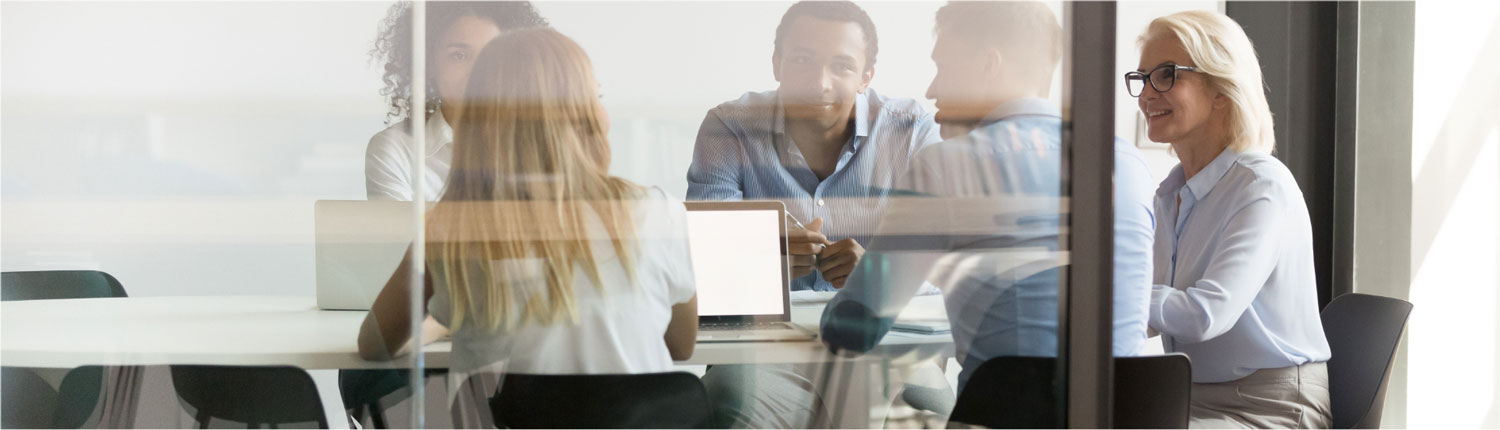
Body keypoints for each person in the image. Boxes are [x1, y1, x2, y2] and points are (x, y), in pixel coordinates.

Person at [819, 0, 1156, 393]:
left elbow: (853, 330)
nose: (932, 89)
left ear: (988, 65)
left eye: (942, 67)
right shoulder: (1126, 162)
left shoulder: (948, 165)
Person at [357, 28, 699, 379]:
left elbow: (374, 344)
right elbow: (681, 347)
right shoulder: (658, 212)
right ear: (581, 114)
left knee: (372, 385)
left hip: (503, 418)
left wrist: (450, 316)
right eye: (594, 96)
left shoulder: (452, 227)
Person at [1129, 10, 1331, 428]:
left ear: (1221, 88)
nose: (1147, 94)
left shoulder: (1261, 186)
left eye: (1166, 75)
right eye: (1142, 78)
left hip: (1273, 405)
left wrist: (1117, 294)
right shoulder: (1170, 195)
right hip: (1185, 397)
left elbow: (1206, 314)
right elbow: (1149, 313)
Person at [686, 0, 941, 292]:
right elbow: (701, 258)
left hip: (884, 334)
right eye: (803, 60)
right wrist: (761, 260)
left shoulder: (911, 132)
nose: (820, 84)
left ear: (866, 77)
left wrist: (879, 274)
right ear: (776, 64)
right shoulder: (729, 128)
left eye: (842, 66)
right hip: (764, 333)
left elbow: (951, 268)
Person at [364, 1, 547, 201]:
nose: (477, 72)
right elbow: (396, 232)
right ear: (429, 64)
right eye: (459, 56)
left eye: (490, 55)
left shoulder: (542, 142)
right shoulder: (396, 149)